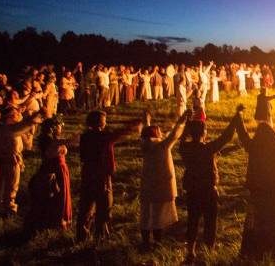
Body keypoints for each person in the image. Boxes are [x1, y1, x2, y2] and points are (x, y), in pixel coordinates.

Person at [237, 100, 275, 259]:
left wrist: (238, 115)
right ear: (272, 135)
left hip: (258, 188)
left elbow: (242, 133)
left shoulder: (252, 146)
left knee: (258, 216)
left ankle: (256, 247)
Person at [178, 110, 237, 262]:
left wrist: (187, 122)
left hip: (192, 191)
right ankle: (207, 252)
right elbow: (226, 137)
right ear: (204, 132)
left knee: (193, 220)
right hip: (208, 191)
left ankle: (190, 251)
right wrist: (236, 118)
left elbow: (182, 139)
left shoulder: (185, 149)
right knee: (210, 222)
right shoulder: (207, 148)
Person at [77, 111, 142, 242]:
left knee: (86, 203)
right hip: (101, 175)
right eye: (104, 119)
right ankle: (99, 236)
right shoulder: (102, 136)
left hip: (87, 173)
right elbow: (119, 134)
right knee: (104, 204)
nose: (105, 121)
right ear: (99, 122)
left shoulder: (85, 136)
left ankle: (82, 235)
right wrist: (134, 124)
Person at [139, 110, 190, 250]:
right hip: (161, 186)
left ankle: (145, 242)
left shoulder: (144, 144)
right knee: (158, 216)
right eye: (159, 132)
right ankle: (157, 242)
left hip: (147, 186)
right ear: (157, 135)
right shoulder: (162, 146)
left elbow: (146, 133)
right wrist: (182, 120)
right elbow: (174, 134)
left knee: (146, 214)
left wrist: (146, 121)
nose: (162, 133)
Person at [25, 117, 73, 233]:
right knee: (59, 194)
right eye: (60, 126)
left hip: (59, 167)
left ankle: (52, 220)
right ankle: (57, 220)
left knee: (60, 193)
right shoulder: (51, 141)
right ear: (54, 127)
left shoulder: (51, 139)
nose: (61, 128)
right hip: (56, 168)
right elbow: (69, 141)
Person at [0, 112, 43, 215]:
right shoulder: (6, 130)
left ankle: (0, 206)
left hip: (5, 160)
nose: (18, 116)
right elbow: (20, 127)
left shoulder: (2, 128)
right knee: (11, 185)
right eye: (15, 115)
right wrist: (32, 120)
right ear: (8, 118)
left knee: (3, 185)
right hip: (10, 160)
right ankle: (9, 208)